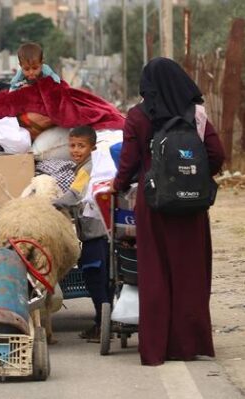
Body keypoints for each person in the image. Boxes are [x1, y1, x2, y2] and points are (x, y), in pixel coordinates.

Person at [110, 57, 225, 366]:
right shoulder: (196, 113)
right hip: (191, 205)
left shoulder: (137, 115)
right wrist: (195, 176)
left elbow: (129, 162)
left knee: (155, 273)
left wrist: (117, 187)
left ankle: (157, 347)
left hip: (154, 203)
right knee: (190, 272)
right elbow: (217, 154)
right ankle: (189, 343)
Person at [53, 126, 110, 342]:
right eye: (72, 145)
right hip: (102, 231)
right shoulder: (88, 165)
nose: (76, 150)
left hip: (95, 233)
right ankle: (104, 322)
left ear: (92, 147)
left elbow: (75, 194)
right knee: (104, 279)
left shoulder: (88, 168)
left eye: (81, 146)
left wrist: (50, 204)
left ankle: (101, 325)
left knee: (94, 276)